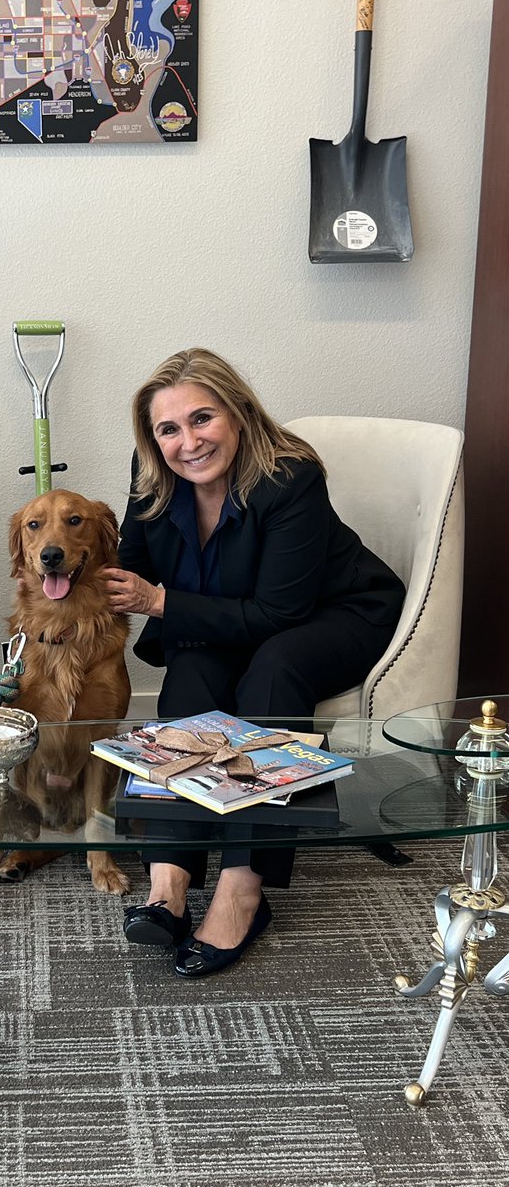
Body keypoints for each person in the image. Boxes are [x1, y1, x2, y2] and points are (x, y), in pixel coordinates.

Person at [101, 348, 405, 977]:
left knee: (274, 668)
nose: (187, 442)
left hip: (332, 613)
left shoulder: (290, 476)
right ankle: (170, 879)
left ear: (236, 412)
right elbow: (136, 561)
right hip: (232, 616)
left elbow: (278, 613)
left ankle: (244, 886)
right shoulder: (152, 471)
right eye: (168, 429)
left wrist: (161, 602)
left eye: (202, 419)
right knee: (191, 673)